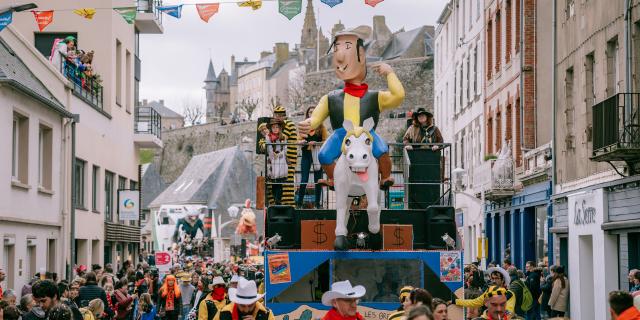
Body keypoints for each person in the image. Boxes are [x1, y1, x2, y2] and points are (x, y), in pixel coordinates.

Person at [297, 26, 405, 190]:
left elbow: (398, 96)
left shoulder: (375, 97)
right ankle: (334, 178)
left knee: (382, 151)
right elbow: (316, 118)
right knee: (324, 155)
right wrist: (308, 124)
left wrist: (390, 73)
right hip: (342, 134)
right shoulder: (331, 98)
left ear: (361, 58)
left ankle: (385, 177)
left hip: (366, 133)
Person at [296, 106, 328, 209]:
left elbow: (325, 141)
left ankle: (318, 204)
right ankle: (299, 203)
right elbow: (298, 139)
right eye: (310, 112)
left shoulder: (321, 126)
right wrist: (302, 142)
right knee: (304, 179)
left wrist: (317, 143)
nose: (311, 113)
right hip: (306, 155)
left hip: (317, 154)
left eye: (313, 112)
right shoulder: (304, 126)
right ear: (307, 114)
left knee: (318, 180)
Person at [271, 106, 298, 206]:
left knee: (287, 182)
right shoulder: (283, 124)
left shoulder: (288, 124)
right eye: (276, 116)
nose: (276, 118)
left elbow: (281, 138)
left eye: (278, 116)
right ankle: (280, 203)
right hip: (281, 159)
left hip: (288, 159)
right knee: (280, 181)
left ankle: (289, 205)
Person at [266, 119, 288, 205]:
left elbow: (285, 147)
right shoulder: (268, 137)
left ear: (280, 128)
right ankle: (275, 199)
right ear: (271, 128)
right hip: (273, 159)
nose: (275, 129)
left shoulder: (283, 137)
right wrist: (273, 154)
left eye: (277, 127)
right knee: (274, 181)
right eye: (273, 127)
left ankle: (279, 200)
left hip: (281, 158)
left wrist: (281, 154)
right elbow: (269, 148)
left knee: (280, 182)